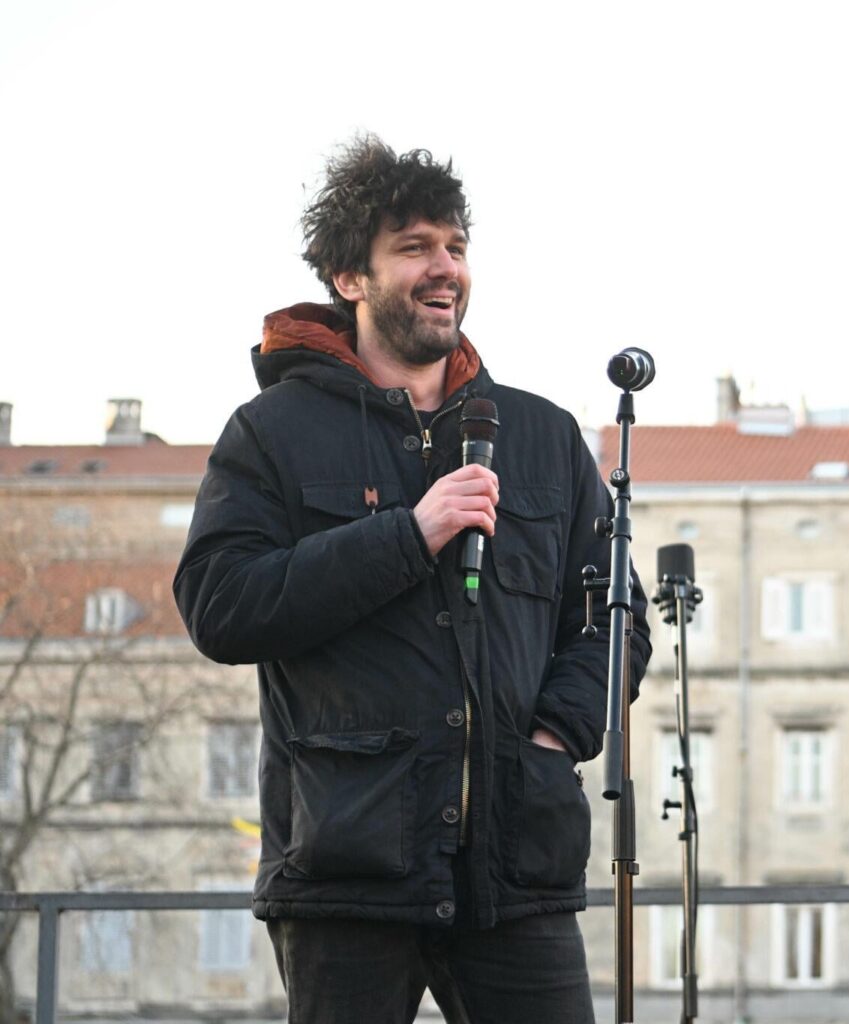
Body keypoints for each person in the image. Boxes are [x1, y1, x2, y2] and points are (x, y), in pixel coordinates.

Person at [174, 135, 648, 1023]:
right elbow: (220, 605)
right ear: (349, 276)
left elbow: (615, 621)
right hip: (346, 870)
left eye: (457, 246)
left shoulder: (543, 437)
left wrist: (554, 737)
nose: (445, 268)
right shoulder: (273, 432)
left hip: (516, 866)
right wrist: (409, 534)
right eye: (415, 247)